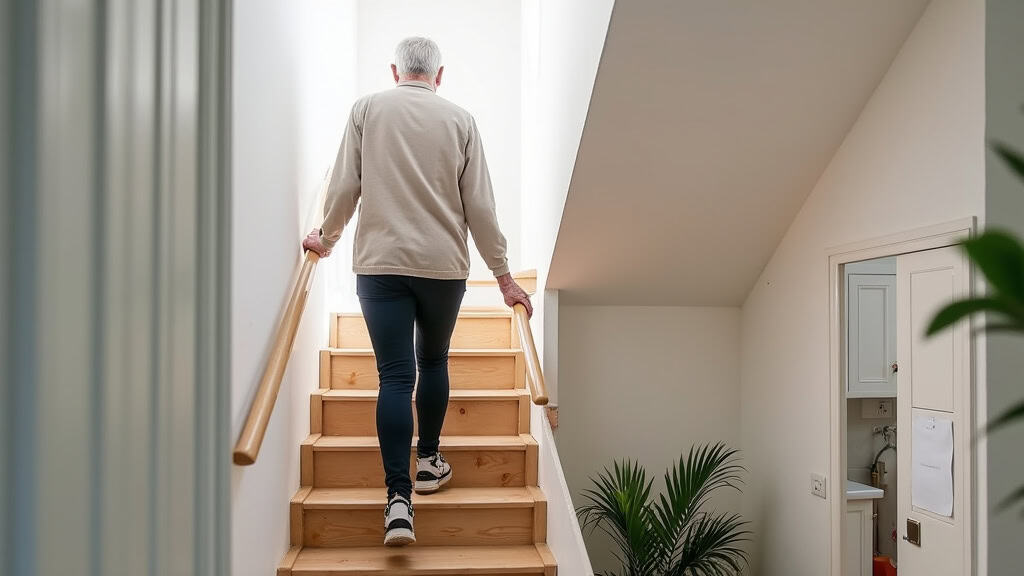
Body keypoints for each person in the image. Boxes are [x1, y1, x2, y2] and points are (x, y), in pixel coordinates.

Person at [301, 36, 532, 547]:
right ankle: (429, 460)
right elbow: (482, 209)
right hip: (442, 269)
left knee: (394, 377)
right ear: (439, 75)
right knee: (432, 361)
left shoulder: (367, 110)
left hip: (380, 267)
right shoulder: (461, 120)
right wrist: (504, 277)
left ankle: (398, 503)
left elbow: (344, 187)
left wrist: (327, 237)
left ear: (394, 70)